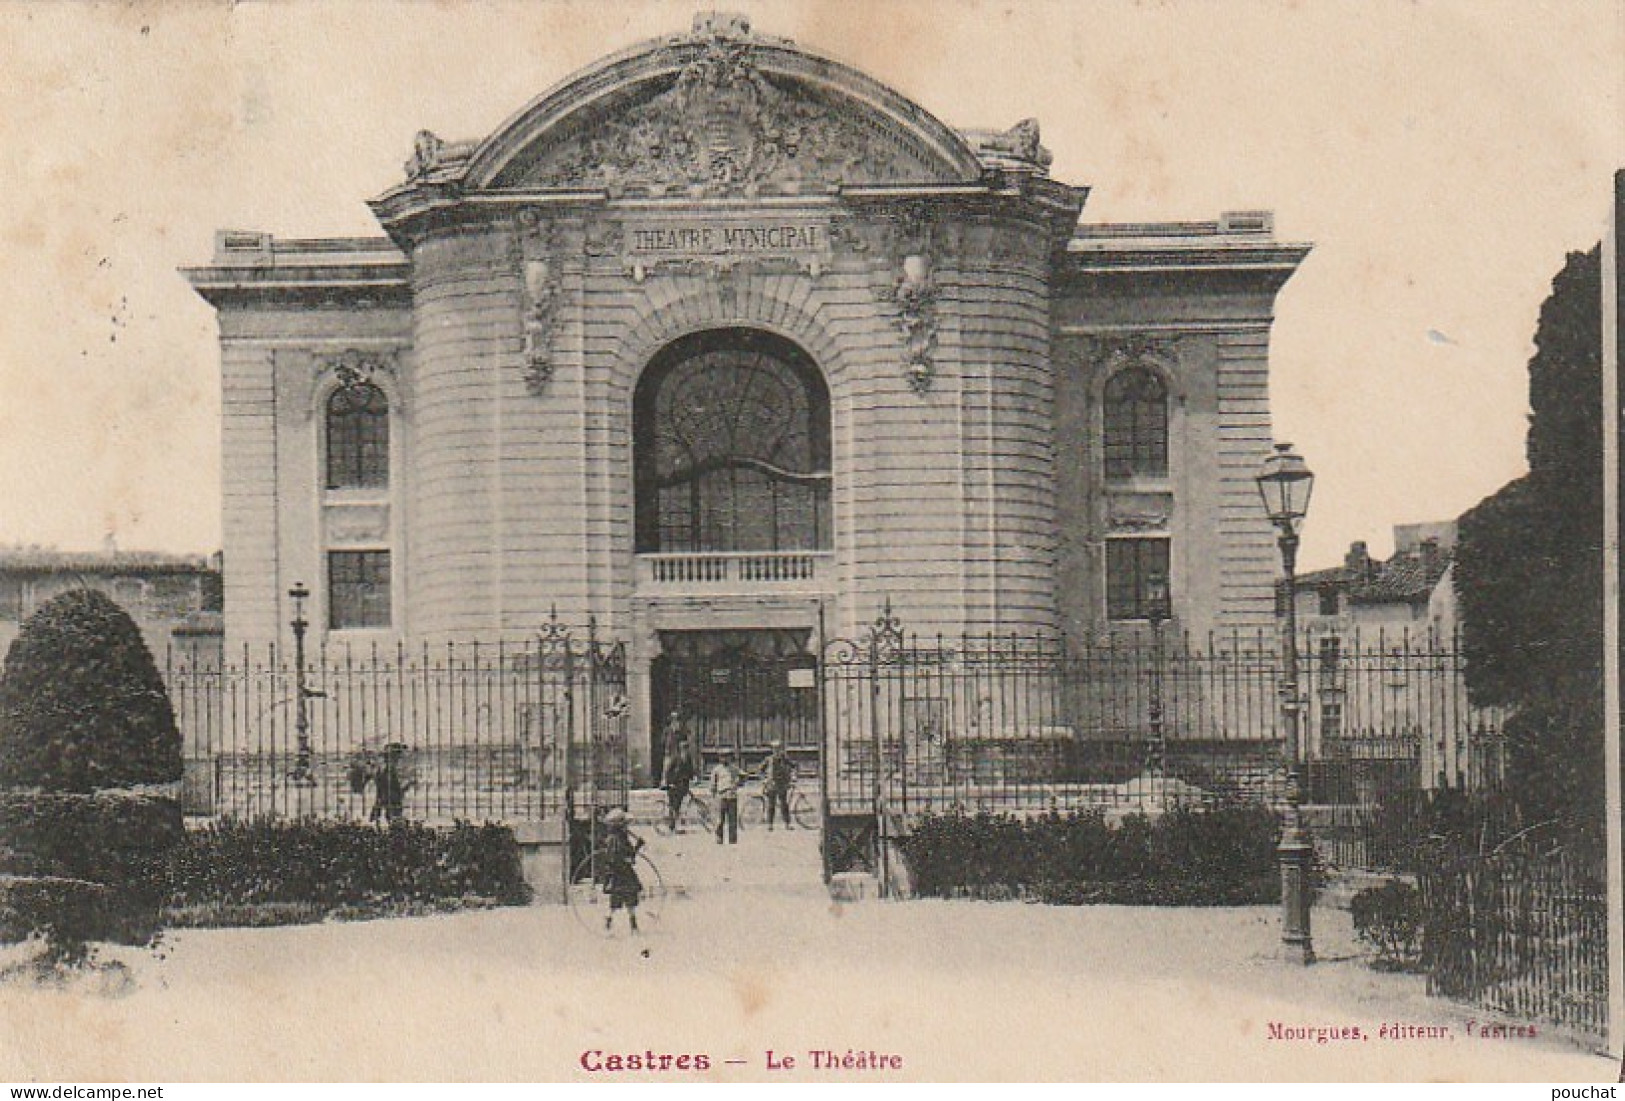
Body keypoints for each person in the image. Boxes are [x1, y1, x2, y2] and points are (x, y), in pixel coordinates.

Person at [597, 807, 644, 934]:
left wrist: (636, 847)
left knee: (629, 900)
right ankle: (608, 925)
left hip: (623, 872)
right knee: (616, 902)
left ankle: (633, 927)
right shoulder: (615, 839)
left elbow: (629, 855)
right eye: (625, 824)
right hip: (620, 873)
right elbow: (619, 857)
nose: (626, 827)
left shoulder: (620, 838)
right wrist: (636, 849)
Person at [763, 740, 795, 830]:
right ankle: (770, 824)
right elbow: (760, 769)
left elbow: (793, 766)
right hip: (771, 784)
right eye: (774, 749)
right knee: (771, 805)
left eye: (778, 748)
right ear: (772, 750)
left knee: (784, 805)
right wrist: (764, 779)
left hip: (782, 784)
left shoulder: (784, 759)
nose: (776, 750)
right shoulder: (768, 759)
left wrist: (793, 777)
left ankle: (787, 824)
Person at [664, 740, 695, 833]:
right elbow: (668, 771)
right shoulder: (675, 758)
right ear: (680, 749)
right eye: (684, 748)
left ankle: (675, 824)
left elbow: (690, 769)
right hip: (674, 785)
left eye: (687, 748)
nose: (685, 750)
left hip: (683, 785)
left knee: (678, 805)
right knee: (673, 806)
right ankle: (671, 826)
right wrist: (669, 783)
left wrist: (693, 777)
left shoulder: (688, 758)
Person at [711, 753, 740, 845]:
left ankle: (732, 839)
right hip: (721, 796)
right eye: (722, 757)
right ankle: (719, 838)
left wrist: (738, 783)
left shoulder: (734, 769)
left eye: (727, 757)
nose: (724, 759)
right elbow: (713, 783)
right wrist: (713, 794)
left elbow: (744, 776)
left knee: (732, 820)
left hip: (732, 796)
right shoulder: (717, 770)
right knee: (720, 819)